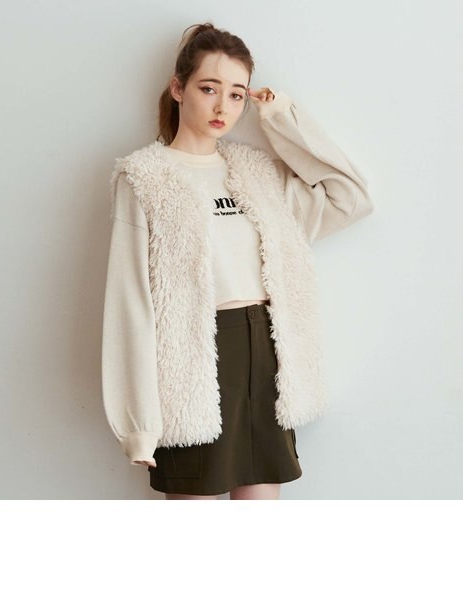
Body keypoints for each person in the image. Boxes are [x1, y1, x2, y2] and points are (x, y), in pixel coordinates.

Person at [101, 22, 374, 500]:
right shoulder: (145, 176)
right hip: (194, 363)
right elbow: (130, 303)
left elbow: (349, 197)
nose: (222, 107)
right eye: (209, 88)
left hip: (267, 353)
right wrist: (137, 423)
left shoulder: (256, 173)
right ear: (178, 88)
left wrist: (282, 119)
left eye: (236, 94)